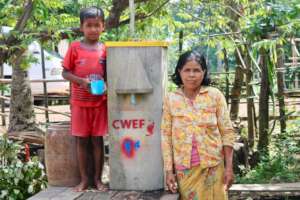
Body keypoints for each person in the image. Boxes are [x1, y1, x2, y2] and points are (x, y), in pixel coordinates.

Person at [161, 50, 235, 200]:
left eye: (196, 70)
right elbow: (166, 136)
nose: (192, 75)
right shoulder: (171, 99)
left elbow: (227, 132)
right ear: (179, 72)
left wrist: (229, 168)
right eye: (187, 70)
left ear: (204, 72)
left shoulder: (215, 95)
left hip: (213, 168)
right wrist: (169, 171)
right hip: (185, 171)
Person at [62, 7, 108, 192]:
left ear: (103, 26)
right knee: (81, 141)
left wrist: (105, 84)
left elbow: (109, 74)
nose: (93, 29)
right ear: (82, 27)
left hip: (99, 103)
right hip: (79, 104)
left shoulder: (106, 49)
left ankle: (98, 180)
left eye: (97, 25)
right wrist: (81, 81)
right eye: (89, 25)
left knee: (98, 141)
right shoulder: (74, 48)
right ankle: (84, 180)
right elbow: (65, 72)